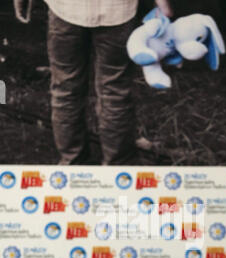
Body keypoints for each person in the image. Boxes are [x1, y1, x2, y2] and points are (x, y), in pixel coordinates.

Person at [13, 0, 174, 165]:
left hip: (66, 10)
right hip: (118, 12)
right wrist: (164, 6)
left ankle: (72, 161)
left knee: (65, 90)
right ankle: (117, 168)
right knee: (114, 91)